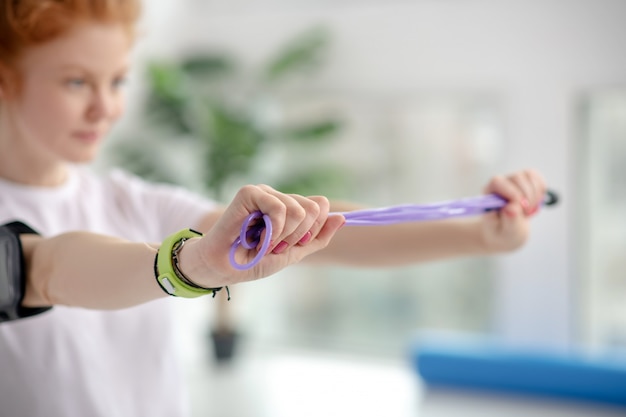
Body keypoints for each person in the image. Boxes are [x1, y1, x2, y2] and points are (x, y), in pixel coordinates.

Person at [0, 0, 548, 416]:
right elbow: (49, 268)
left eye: (117, 80)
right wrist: (190, 266)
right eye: (76, 81)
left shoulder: (128, 199)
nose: (106, 107)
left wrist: (480, 234)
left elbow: (330, 234)